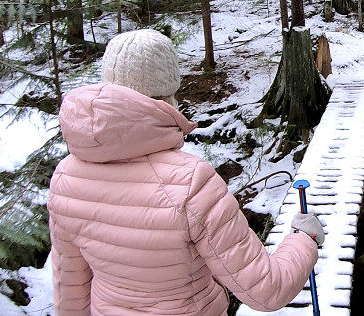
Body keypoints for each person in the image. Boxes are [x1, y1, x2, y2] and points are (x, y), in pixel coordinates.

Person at [48, 29, 325, 315]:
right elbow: (267, 290)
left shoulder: (65, 177)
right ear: (169, 92)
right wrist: (304, 240)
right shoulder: (190, 182)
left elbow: (69, 292)